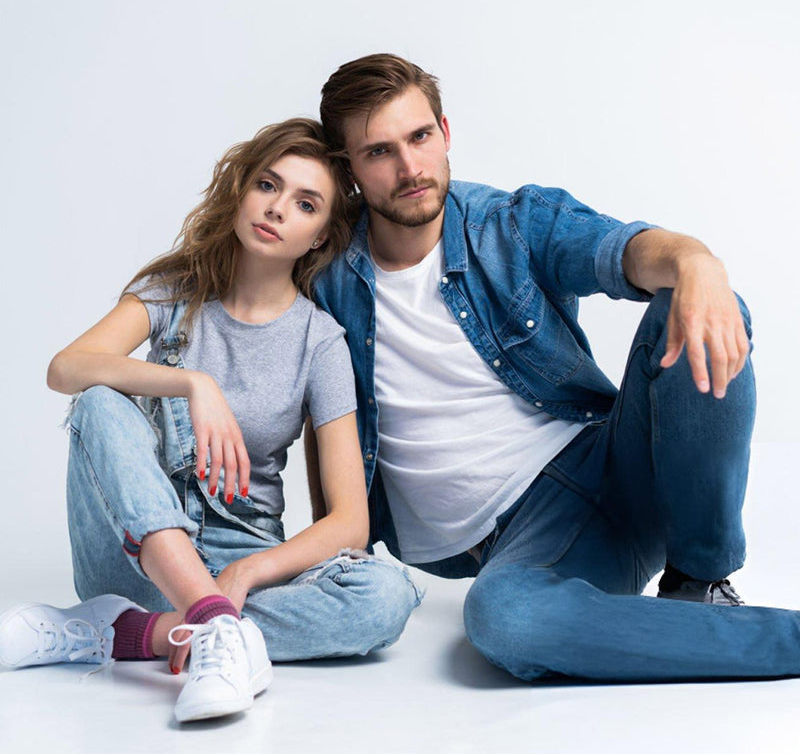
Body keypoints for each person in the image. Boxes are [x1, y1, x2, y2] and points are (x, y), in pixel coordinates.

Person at [306, 53, 800, 682]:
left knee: (697, 303)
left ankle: (699, 581)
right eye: (379, 152)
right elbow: (228, 281)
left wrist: (697, 263)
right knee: (504, 620)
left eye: (420, 137)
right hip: (533, 547)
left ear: (445, 131)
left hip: (616, 468)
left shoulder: (508, 224)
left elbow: (625, 250)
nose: (411, 168)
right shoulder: (322, 277)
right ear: (347, 169)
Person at [0, 118, 422, 721]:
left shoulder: (320, 341)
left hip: (237, 555)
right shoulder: (173, 292)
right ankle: (216, 629)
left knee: (386, 598)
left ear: (320, 236)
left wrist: (248, 571)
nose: (277, 209)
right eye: (268, 186)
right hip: (136, 554)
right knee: (97, 398)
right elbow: (65, 369)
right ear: (242, 188)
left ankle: (137, 634)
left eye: (304, 204)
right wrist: (192, 383)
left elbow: (351, 521)